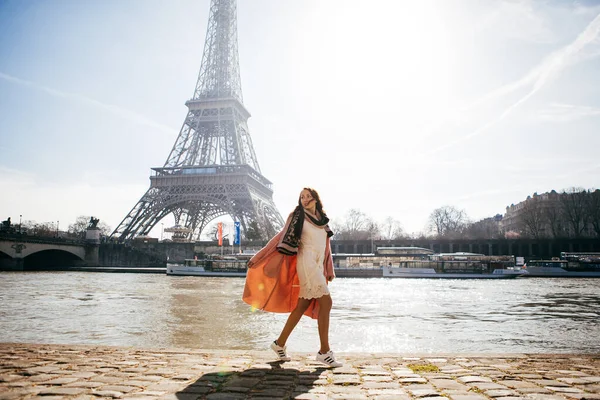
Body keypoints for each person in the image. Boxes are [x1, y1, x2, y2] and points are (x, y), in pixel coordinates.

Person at [242, 187, 342, 367]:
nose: (304, 199)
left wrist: (329, 269)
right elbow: (279, 238)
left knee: (301, 306)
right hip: (306, 263)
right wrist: (259, 256)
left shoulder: (323, 220)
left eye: (308, 196)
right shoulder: (297, 217)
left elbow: (326, 248)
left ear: (316, 199)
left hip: (317, 265)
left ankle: (279, 344)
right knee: (326, 302)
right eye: (302, 197)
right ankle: (324, 351)